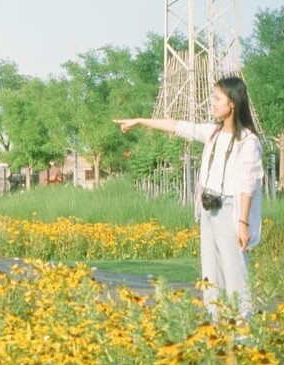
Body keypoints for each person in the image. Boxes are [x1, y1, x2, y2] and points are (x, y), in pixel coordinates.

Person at [113, 76, 264, 321]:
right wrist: (140, 121)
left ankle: (243, 335)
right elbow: (178, 126)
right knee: (211, 276)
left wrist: (243, 223)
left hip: (230, 212)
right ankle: (217, 330)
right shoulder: (213, 133)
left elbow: (248, 185)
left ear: (232, 103)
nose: (212, 103)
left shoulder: (248, 141)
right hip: (208, 211)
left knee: (236, 276)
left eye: (217, 98)